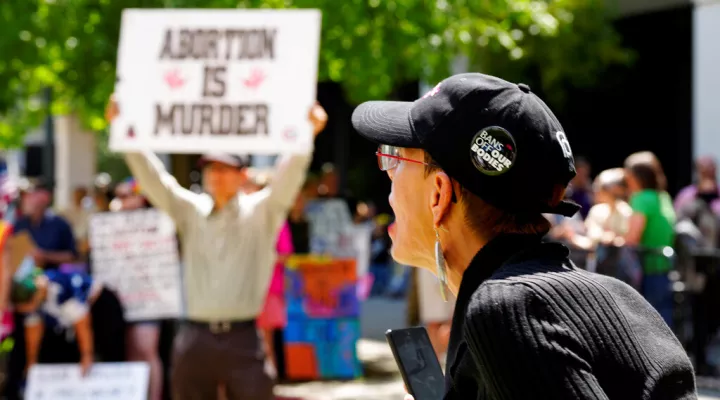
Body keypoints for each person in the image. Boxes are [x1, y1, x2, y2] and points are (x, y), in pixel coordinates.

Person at [350, 73, 696, 399]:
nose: (389, 184)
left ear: (438, 194)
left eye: (394, 161)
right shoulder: (620, 296)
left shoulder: (506, 310)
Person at [106, 96, 327, 400]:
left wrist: (307, 134)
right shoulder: (190, 210)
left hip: (243, 338)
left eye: (224, 168)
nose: (214, 176)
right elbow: (154, 179)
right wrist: (124, 129)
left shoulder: (263, 211)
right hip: (195, 337)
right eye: (210, 169)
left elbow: (287, 176)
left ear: (242, 175)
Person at [10, 267, 99, 377]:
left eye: (29, 307)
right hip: (61, 318)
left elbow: (82, 325)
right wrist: (31, 362)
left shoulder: (60, 290)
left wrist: (86, 355)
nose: (29, 311)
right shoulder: (32, 300)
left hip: (96, 303)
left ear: (36, 296)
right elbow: (33, 330)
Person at [623, 152, 677, 328]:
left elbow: (632, 238)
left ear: (636, 177)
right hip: (664, 268)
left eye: (628, 175)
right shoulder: (664, 197)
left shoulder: (642, 199)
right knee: (664, 322)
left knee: (650, 325)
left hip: (646, 270)